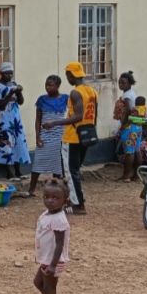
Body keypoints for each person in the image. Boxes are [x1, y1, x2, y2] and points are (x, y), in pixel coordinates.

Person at [58, 62, 97, 214]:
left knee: (70, 171)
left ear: (71, 75)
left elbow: (78, 116)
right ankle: (74, 199)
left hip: (72, 137)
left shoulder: (75, 93)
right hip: (85, 134)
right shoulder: (92, 91)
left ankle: (78, 204)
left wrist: (55, 123)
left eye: (68, 75)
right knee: (75, 170)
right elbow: (94, 116)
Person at [33, 179, 71, 294]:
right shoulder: (48, 214)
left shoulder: (59, 219)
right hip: (47, 259)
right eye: (47, 197)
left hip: (53, 261)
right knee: (38, 283)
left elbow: (60, 244)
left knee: (50, 291)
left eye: (55, 198)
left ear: (64, 201)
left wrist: (53, 265)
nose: (50, 200)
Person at [29, 76, 68, 197]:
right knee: (38, 163)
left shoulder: (66, 98)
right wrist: (37, 137)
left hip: (59, 134)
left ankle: (58, 190)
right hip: (45, 135)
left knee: (58, 165)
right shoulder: (41, 100)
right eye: (46, 85)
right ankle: (31, 190)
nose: (48, 87)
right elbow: (38, 120)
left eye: (51, 85)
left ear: (58, 86)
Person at [0, 62, 30, 180]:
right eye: (7, 73)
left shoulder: (14, 84)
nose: (9, 76)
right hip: (4, 117)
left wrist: (18, 92)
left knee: (18, 142)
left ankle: (18, 170)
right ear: (1, 73)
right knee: (6, 142)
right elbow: (1, 104)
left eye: (11, 73)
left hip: (15, 118)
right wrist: (11, 93)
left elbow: (20, 102)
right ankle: (10, 172)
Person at [114, 71, 140, 182]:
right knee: (136, 150)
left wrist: (123, 126)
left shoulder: (127, 96)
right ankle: (136, 175)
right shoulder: (132, 93)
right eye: (120, 82)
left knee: (129, 152)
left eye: (123, 83)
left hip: (129, 126)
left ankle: (126, 175)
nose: (121, 85)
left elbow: (128, 110)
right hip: (137, 125)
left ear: (130, 83)